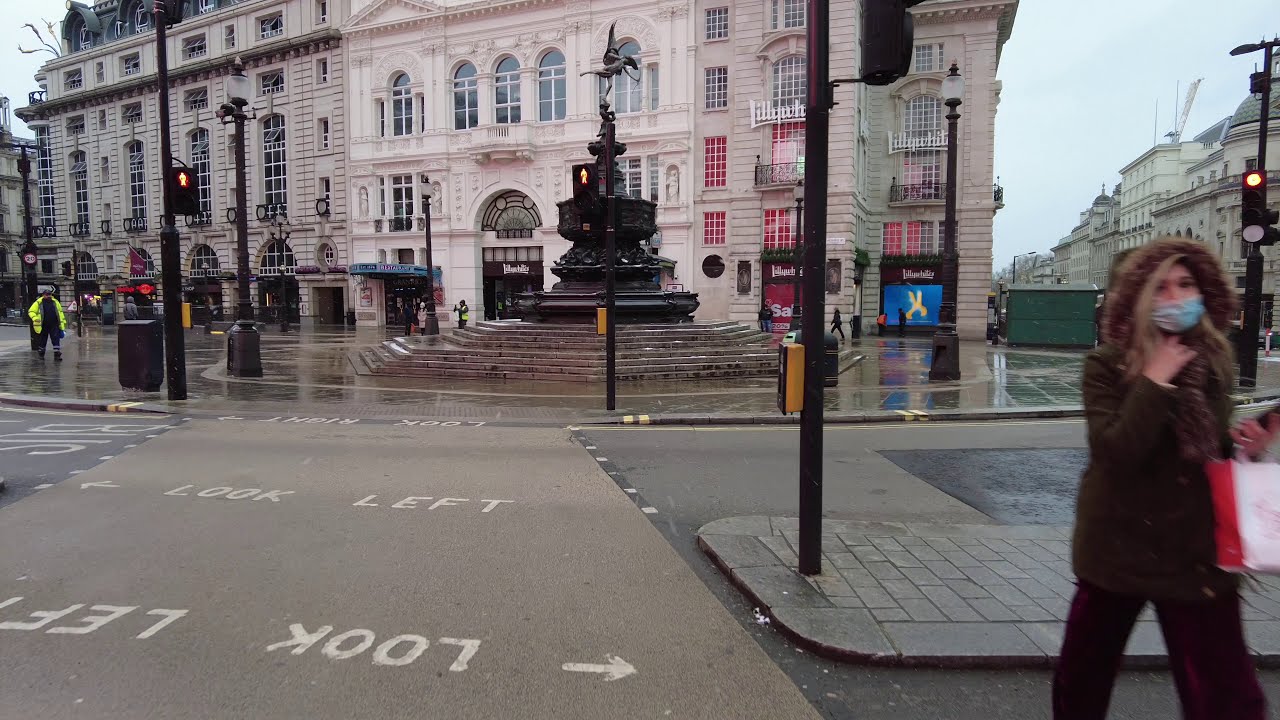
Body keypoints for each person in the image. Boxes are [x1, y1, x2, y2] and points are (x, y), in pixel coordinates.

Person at [1052, 237, 1274, 720]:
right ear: (1139, 298)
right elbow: (1115, 451)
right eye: (1162, 288)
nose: (1176, 298)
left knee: (1226, 693)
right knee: (1083, 680)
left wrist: (1244, 444)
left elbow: (1206, 449)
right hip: (1118, 547)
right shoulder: (1106, 366)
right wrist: (1153, 380)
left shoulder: (1214, 360)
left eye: (1186, 284)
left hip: (1196, 553)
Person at [28, 288, 66, 361]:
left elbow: (60, 313)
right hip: (43, 324)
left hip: (54, 324)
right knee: (43, 340)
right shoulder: (38, 303)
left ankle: (57, 354)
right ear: (43, 295)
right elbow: (31, 311)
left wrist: (62, 323)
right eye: (47, 295)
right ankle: (41, 354)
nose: (49, 296)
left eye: (50, 294)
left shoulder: (55, 302)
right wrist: (35, 318)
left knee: (55, 339)